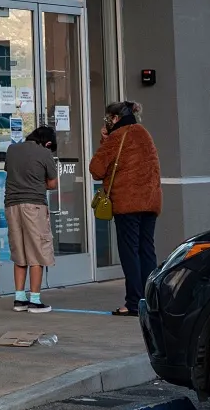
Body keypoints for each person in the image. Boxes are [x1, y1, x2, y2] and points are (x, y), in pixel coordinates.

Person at [88, 100, 161, 316]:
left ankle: (132, 303)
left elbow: (96, 169)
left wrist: (104, 140)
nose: (107, 122)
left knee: (130, 253)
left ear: (115, 118)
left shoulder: (117, 136)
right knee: (147, 250)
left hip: (128, 202)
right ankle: (150, 300)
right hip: (151, 201)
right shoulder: (144, 133)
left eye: (108, 119)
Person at [2, 124, 59, 312]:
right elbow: (52, 184)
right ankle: (35, 300)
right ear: (48, 143)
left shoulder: (12, 149)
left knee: (19, 252)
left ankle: (19, 298)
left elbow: (9, 172)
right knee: (37, 252)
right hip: (34, 205)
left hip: (12, 205)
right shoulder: (45, 153)